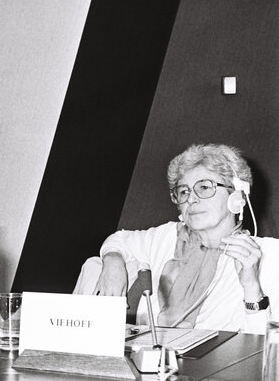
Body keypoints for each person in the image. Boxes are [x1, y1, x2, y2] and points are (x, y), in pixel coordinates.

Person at [74, 143, 278, 334]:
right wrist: (112, 261)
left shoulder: (269, 254)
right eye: (183, 191)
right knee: (94, 264)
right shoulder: (167, 236)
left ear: (238, 197)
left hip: (212, 367)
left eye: (205, 187)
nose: (191, 199)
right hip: (149, 356)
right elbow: (119, 240)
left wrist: (252, 287)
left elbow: (263, 350)